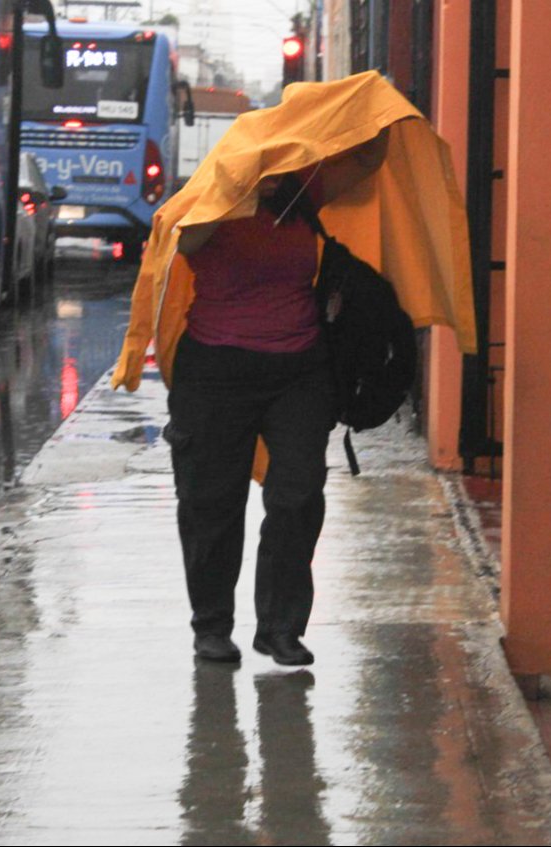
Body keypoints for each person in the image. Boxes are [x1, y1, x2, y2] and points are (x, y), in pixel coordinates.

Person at [167, 134, 388, 666]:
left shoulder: (303, 193)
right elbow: (185, 242)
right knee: (212, 504)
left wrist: (365, 114)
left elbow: (367, 159)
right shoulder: (211, 197)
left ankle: (281, 628)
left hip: (299, 371)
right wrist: (232, 190)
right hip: (214, 373)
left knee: (297, 495)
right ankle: (213, 627)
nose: (272, 169)